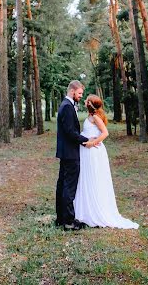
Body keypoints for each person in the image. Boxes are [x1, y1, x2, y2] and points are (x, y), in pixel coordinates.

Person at [74, 94, 139, 229]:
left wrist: (93, 143)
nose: (84, 101)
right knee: (86, 178)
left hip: (93, 151)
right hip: (86, 151)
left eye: (87, 100)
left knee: (93, 178)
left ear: (90, 104)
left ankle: (95, 210)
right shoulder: (91, 116)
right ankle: (85, 209)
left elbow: (105, 133)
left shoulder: (96, 117)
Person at [55, 80, 97, 231]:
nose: (81, 96)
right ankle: (68, 221)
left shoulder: (66, 105)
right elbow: (71, 133)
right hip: (70, 153)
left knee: (62, 184)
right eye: (79, 93)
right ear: (72, 91)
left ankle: (61, 218)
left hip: (66, 152)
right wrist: (87, 141)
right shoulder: (67, 107)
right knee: (69, 186)